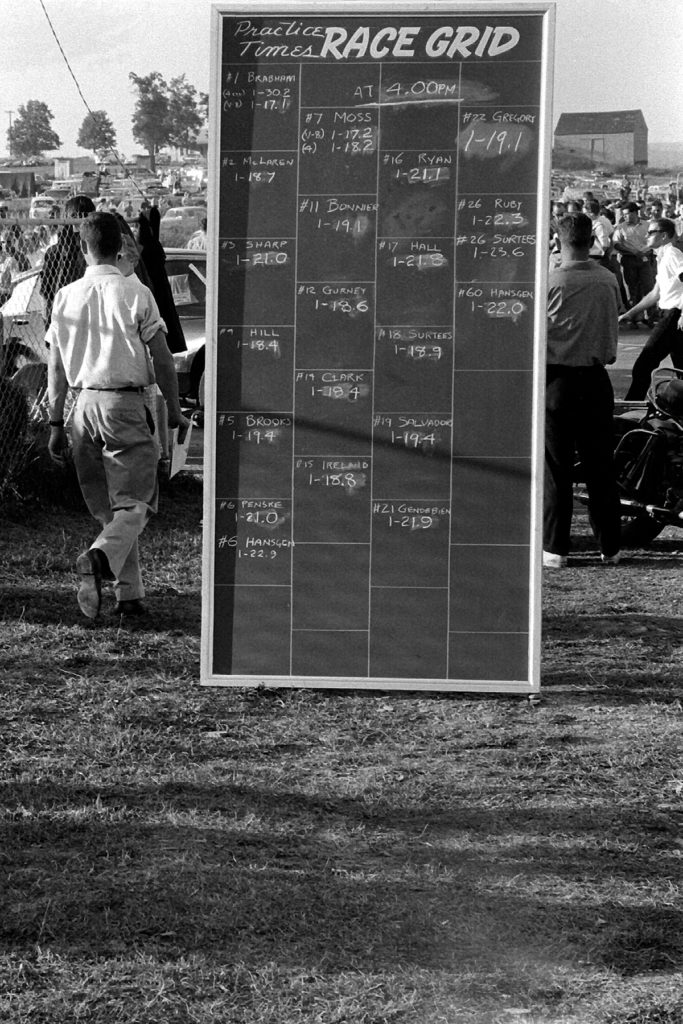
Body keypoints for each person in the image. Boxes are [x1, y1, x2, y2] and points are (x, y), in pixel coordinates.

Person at [46, 212, 191, 619]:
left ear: (82, 248)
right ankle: (97, 558)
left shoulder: (65, 296)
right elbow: (161, 358)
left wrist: (56, 422)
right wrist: (175, 409)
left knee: (110, 511)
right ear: (121, 245)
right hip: (124, 405)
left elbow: (55, 367)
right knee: (136, 505)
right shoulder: (135, 292)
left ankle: (129, 596)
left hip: (81, 406)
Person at [543, 212, 621, 568]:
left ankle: (556, 548)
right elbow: (611, 330)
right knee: (600, 468)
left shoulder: (550, 281)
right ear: (592, 241)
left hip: (558, 379)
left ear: (559, 241)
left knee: (557, 470)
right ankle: (611, 546)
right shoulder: (607, 279)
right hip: (595, 378)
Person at [621, 217, 683, 400]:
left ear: (663, 236)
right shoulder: (663, 257)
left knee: (644, 365)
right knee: (680, 368)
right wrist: (630, 313)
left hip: (674, 316)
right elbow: (655, 294)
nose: (647, 236)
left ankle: (633, 403)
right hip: (671, 314)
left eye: (651, 232)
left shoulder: (673, 254)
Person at [40, 194, 95, 325]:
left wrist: (48, 324)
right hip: (92, 316)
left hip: (64, 318)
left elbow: (46, 294)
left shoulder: (55, 251)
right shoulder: (97, 249)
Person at [612, 202, 655, 325]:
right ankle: (634, 317)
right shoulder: (621, 227)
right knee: (632, 289)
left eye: (627, 214)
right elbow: (616, 243)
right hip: (629, 260)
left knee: (649, 287)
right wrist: (632, 251)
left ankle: (651, 316)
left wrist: (646, 252)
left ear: (636, 213)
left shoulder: (648, 225)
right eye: (624, 215)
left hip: (646, 259)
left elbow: (654, 240)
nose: (625, 217)